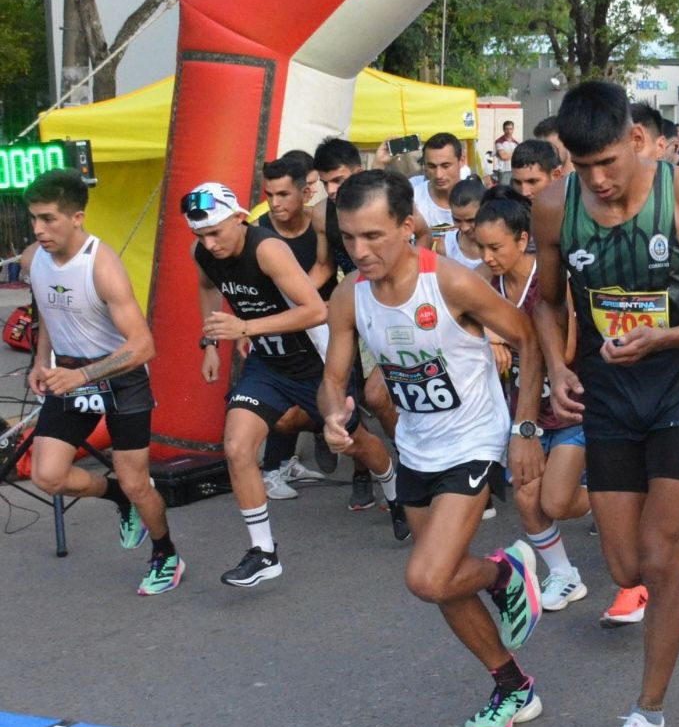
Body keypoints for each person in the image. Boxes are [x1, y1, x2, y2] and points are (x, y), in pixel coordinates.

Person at [531, 80, 679, 727]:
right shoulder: (554, 207)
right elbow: (544, 300)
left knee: (655, 557)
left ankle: (647, 717)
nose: (599, 179)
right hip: (608, 395)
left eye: (609, 162)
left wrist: (664, 339)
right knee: (625, 568)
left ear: (638, 140)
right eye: (583, 165)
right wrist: (556, 369)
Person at [321, 169, 546, 727]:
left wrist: (524, 428)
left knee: (427, 577)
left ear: (406, 227)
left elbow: (529, 340)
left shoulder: (450, 283)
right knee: (444, 583)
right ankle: (512, 684)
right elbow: (332, 377)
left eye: (373, 235)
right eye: (348, 238)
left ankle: (503, 571)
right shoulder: (350, 295)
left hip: (473, 439)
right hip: (416, 444)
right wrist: (332, 415)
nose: (360, 250)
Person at [187, 181, 406, 588]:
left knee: (355, 440)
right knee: (236, 446)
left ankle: (395, 492)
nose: (210, 243)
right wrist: (211, 344)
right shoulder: (202, 252)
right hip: (268, 366)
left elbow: (317, 311)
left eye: (217, 231)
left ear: (239, 218)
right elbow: (206, 286)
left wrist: (246, 326)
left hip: (315, 363)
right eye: (201, 235)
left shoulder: (266, 249)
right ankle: (264, 552)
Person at [22, 169, 182, 595]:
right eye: (33, 218)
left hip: (121, 380)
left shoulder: (102, 266)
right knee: (48, 476)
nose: (39, 229)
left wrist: (82, 374)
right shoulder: (34, 257)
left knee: (138, 480)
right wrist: (41, 361)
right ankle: (118, 498)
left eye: (49, 219)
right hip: (68, 376)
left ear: (77, 217)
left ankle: (166, 553)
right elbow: (47, 311)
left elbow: (144, 346)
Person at [472, 196, 593, 610]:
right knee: (527, 499)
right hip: (525, 409)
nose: (487, 257)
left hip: (570, 405)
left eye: (496, 248)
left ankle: (624, 495)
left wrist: (506, 337)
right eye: (481, 248)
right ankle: (564, 574)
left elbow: (569, 347)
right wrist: (488, 338)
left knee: (556, 501)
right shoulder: (482, 283)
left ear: (523, 239)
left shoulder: (551, 279)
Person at [313, 136, 404, 513]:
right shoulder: (321, 213)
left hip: (393, 305)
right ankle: (363, 472)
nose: (332, 190)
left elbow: (424, 237)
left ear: (359, 172)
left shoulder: (385, 202)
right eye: (325, 182)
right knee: (343, 391)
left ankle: (414, 463)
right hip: (350, 304)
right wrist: (293, 300)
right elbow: (323, 266)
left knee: (378, 395)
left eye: (339, 180)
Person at [254, 152, 334, 501]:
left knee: (341, 403)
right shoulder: (259, 231)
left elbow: (326, 265)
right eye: (269, 194)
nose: (274, 203)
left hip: (324, 321)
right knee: (283, 408)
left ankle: (290, 457)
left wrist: (306, 302)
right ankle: (273, 469)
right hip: (280, 325)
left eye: (283, 194)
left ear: (304, 193)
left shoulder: (319, 221)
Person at [433, 178, 490, 273]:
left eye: (471, 220)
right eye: (457, 220)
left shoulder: (501, 244)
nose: (464, 228)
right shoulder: (444, 247)